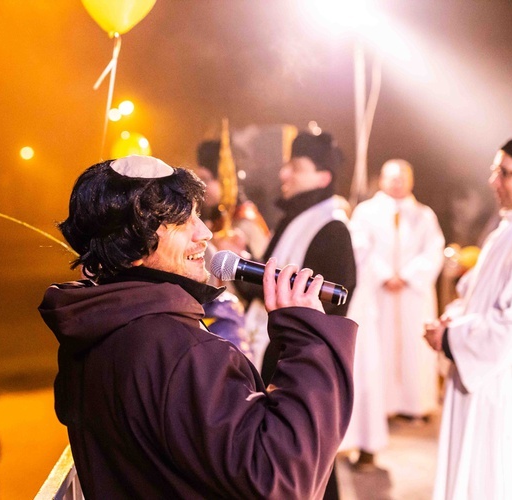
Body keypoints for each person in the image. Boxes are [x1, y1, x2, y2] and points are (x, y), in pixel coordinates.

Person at [38, 155, 357, 498]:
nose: (204, 234)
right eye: (182, 221)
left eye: (198, 217)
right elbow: (281, 477)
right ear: (130, 244)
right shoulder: (181, 351)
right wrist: (307, 339)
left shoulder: (96, 326)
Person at [424, 133, 512, 499]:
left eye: (505, 172)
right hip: (478, 379)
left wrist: (451, 338)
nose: (493, 181)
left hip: (508, 390)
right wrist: (449, 321)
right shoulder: (511, 226)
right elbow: (473, 297)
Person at [239, 131, 356, 498]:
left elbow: (333, 306)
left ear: (322, 177)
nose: (284, 175)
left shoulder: (332, 227)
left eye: (296, 167)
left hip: (299, 359)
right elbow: (262, 287)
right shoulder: (295, 217)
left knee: (309, 460)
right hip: (279, 351)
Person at [343, 159, 445, 469]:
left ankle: (412, 404)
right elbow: (360, 248)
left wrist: (410, 275)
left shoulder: (424, 215)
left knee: (414, 348)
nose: (398, 183)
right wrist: (385, 274)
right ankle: (381, 408)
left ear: (411, 180)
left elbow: (434, 249)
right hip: (379, 294)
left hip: (412, 295)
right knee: (379, 351)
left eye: (403, 177)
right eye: (392, 177)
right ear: (382, 179)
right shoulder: (366, 212)